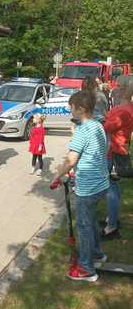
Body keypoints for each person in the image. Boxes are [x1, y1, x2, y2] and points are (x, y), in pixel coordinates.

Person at [51, 91, 109, 282]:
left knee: (84, 227)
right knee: (91, 221)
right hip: (101, 183)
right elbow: (99, 150)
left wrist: (57, 175)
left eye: (72, 107)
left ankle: (86, 269)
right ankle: (98, 254)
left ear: (81, 109)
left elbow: (70, 160)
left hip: (88, 187)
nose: (70, 110)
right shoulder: (98, 125)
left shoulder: (83, 130)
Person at [102, 81, 133, 240]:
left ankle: (111, 227)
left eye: (120, 86)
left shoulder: (123, 110)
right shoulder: (126, 108)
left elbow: (106, 127)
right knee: (114, 187)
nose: (116, 88)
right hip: (117, 150)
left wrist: (102, 119)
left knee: (111, 190)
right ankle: (112, 219)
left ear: (127, 90)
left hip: (113, 152)